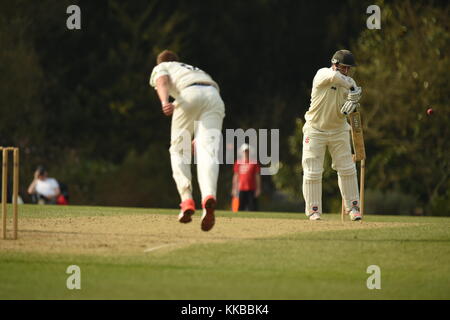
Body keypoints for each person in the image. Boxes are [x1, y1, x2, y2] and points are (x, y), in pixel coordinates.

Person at [149, 50, 225, 231]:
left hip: (190, 94)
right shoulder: (194, 70)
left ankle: (186, 199)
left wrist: (164, 101)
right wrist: (197, 133)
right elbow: (202, 97)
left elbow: (162, 81)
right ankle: (208, 196)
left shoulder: (163, 66)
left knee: (178, 150)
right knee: (208, 152)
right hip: (214, 96)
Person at [302, 49, 363, 221]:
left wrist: (353, 104)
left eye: (349, 69)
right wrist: (353, 87)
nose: (347, 71)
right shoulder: (323, 73)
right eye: (344, 67)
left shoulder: (350, 82)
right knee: (313, 171)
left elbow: (350, 105)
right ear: (335, 64)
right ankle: (314, 210)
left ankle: (353, 208)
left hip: (338, 130)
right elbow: (336, 78)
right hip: (315, 130)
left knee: (347, 168)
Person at [232, 144, 261, 211]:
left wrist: (258, 188)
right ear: (241, 152)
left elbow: (257, 176)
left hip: (251, 188)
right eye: (244, 151)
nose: (245, 153)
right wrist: (234, 188)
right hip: (241, 189)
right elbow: (236, 176)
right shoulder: (238, 163)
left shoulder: (254, 163)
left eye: (247, 151)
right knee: (240, 208)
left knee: (252, 208)